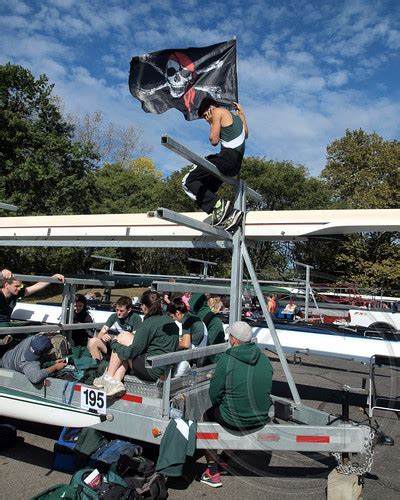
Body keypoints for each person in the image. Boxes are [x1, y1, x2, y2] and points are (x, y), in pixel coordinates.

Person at [201, 321, 273, 488]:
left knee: (206, 417)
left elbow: (214, 393)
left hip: (235, 418)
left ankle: (212, 471)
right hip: (261, 417)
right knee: (234, 415)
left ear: (233, 340)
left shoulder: (227, 358)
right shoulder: (264, 359)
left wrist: (221, 404)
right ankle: (224, 460)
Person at [93, 290, 179, 397]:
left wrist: (114, 343)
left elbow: (131, 353)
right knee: (124, 344)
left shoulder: (148, 323)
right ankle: (115, 381)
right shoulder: (170, 321)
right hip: (165, 367)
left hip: (150, 370)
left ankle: (108, 376)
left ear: (144, 306)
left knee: (123, 338)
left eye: (141, 305)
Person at [182, 98, 249, 232]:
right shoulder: (237, 118)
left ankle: (219, 206)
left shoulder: (218, 111)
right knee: (204, 188)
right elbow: (245, 134)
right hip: (234, 166)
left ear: (211, 108)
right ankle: (228, 214)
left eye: (206, 115)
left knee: (188, 181)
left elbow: (213, 140)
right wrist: (242, 114)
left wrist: (213, 122)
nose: (207, 120)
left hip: (226, 160)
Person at [88, 296, 142, 361]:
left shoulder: (136, 318)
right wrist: (103, 336)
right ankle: (97, 365)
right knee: (92, 341)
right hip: (114, 345)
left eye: (121, 311)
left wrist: (116, 339)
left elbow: (134, 338)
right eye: (117, 310)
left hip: (126, 349)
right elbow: (101, 333)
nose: (118, 313)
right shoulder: (114, 316)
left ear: (129, 310)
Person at [0, 269, 65, 323]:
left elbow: (37, 286)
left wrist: (52, 278)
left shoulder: (15, 294)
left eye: (21, 286)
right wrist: (2, 273)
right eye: (16, 286)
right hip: (2, 326)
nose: (19, 288)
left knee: (35, 327)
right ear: (6, 285)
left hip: (6, 325)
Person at [1, 334, 67, 384]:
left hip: (8, 354)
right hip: (5, 367)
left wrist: (52, 362)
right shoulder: (29, 364)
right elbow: (36, 378)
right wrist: (55, 367)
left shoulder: (32, 338)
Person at [189, 293, 225, 363]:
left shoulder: (211, 320)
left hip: (211, 361)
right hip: (208, 359)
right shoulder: (214, 319)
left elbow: (207, 343)